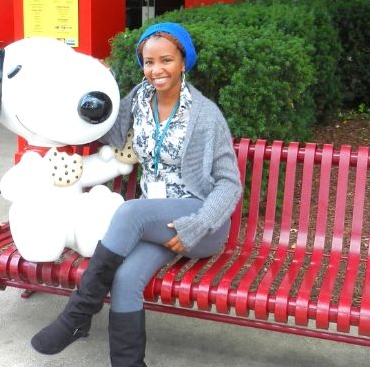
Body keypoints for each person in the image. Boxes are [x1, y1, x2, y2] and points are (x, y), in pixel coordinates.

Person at [30, 22, 243, 366]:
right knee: (126, 278)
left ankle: (77, 315)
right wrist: (96, 86)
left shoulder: (205, 116)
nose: (156, 70)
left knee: (130, 212)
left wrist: (198, 225)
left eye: (166, 60)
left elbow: (229, 183)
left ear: (183, 62)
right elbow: (108, 133)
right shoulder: (139, 99)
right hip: (154, 221)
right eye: (148, 62)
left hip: (200, 224)